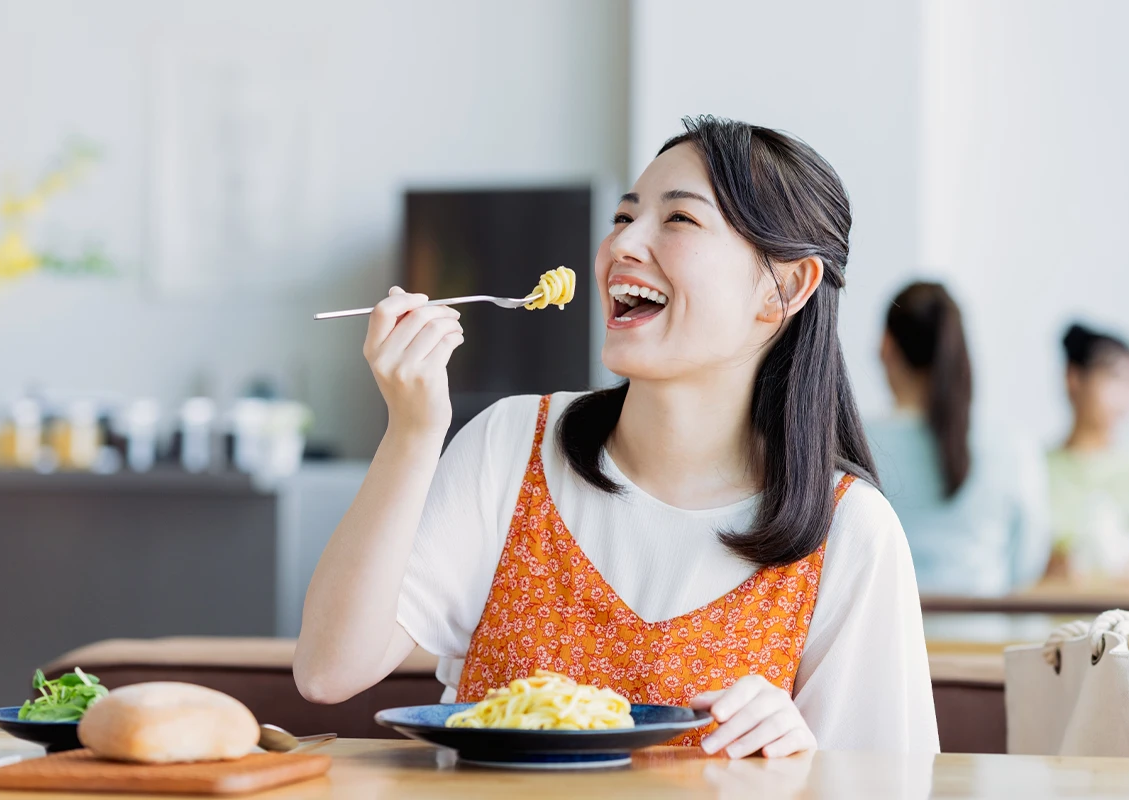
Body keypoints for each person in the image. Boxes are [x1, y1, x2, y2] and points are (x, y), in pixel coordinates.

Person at [295, 116, 938, 757]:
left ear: (785, 288)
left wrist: (802, 762)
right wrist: (411, 431)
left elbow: (885, 782)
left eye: (679, 219)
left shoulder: (851, 531)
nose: (624, 246)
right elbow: (328, 671)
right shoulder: (512, 444)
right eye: (625, 218)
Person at [865, 282, 1049, 595]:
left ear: (885, 347)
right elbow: (1027, 566)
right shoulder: (1012, 448)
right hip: (980, 640)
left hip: (883, 641)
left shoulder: (846, 444)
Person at [1048, 323, 1129, 576]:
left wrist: (1119, 566)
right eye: (1114, 377)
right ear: (1074, 379)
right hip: (1062, 615)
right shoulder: (1034, 471)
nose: (1125, 397)